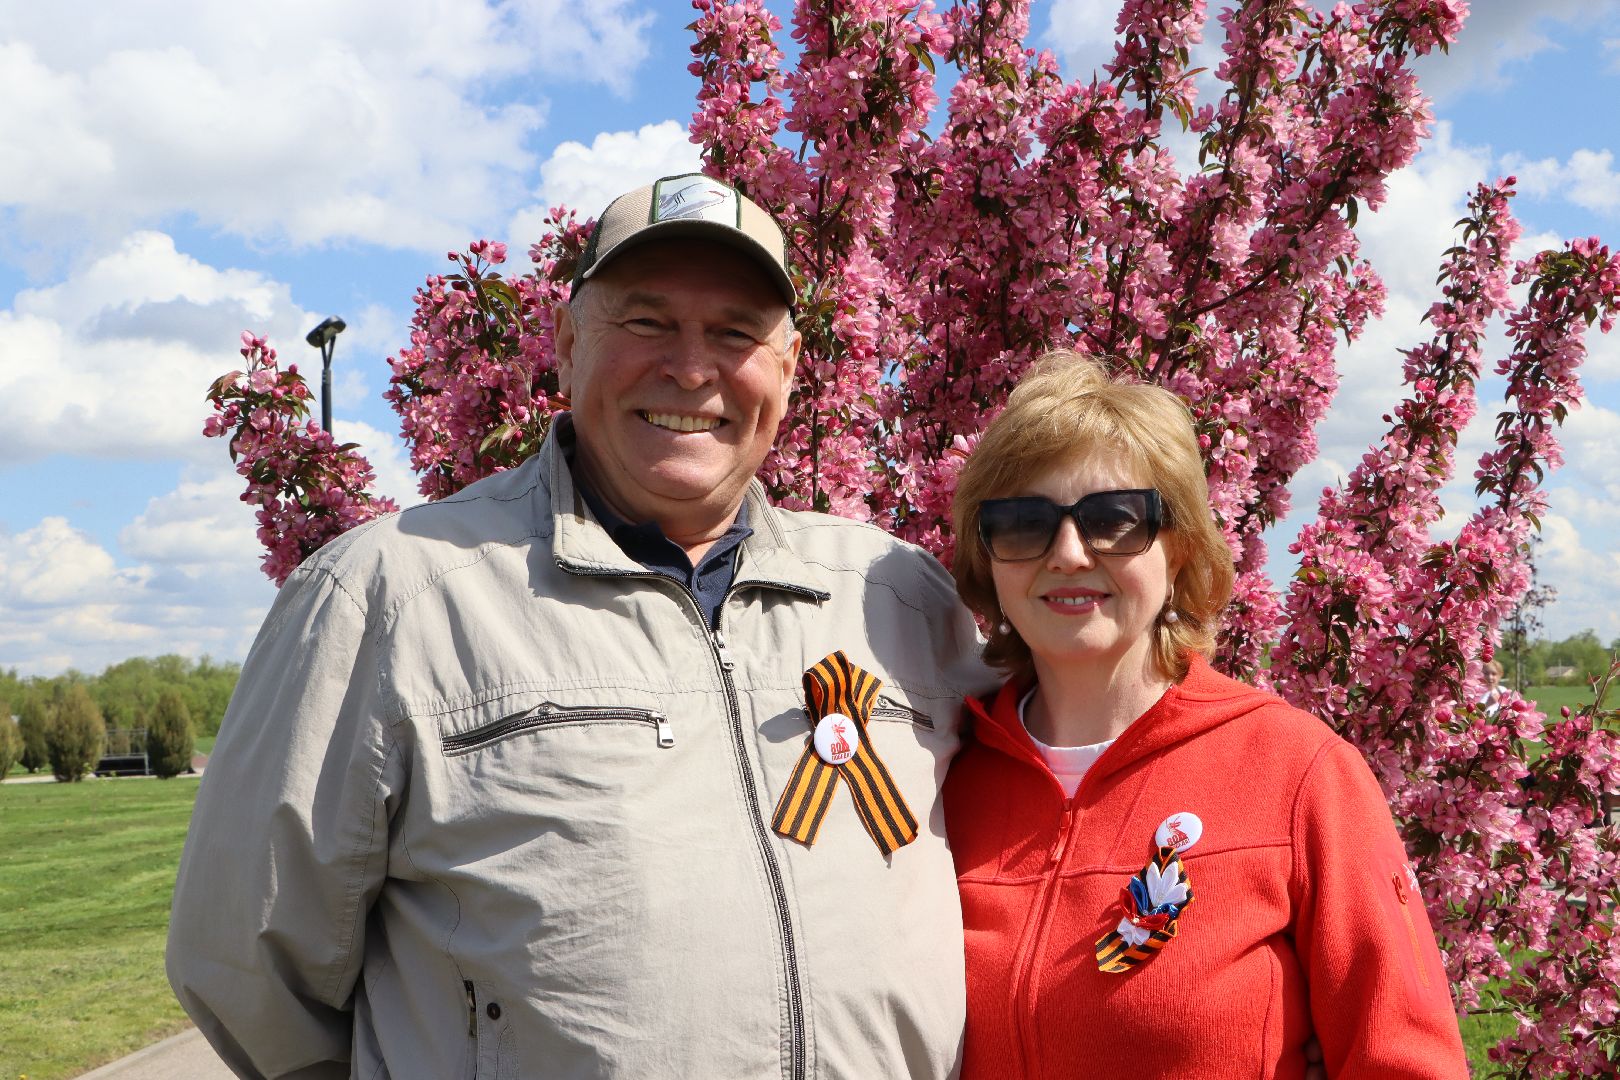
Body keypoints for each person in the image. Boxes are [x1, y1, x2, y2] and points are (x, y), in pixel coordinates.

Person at [167, 173, 991, 1079]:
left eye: (734, 332)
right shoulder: (387, 596)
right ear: (565, 346)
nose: (689, 368)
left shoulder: (899, 598)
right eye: (644, 322)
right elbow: (248, 971)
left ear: (789, 372)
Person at [943, 351, 1470, 1078]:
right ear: (988, 556)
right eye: (1023, 524)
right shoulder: (940, 776)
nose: (1066, 553)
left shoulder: (1298, 774)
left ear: (1180, 548)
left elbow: (1404, 1062)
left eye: (1112, 520)